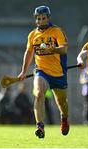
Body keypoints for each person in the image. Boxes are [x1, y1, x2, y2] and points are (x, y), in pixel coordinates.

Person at [18, 6, 69, 139]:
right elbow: (29, 52)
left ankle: (64, 118)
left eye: (44, 18)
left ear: (48, 18)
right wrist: (23, 71)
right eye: (38, 19)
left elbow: (64, 49)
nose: (41, 21)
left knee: (62, 102)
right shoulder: (32, 35)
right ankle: (40, 126)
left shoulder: (57, 31)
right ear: (36, 20)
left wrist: (54, 50)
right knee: (39, 94)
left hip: (58, 73)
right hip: (41, 71)